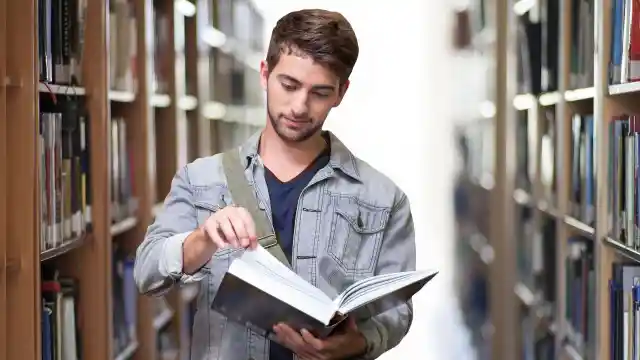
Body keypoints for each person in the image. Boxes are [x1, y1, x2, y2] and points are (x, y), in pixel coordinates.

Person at [133, 8, 416, 360]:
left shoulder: (384, 199)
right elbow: (146, 273)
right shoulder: (201, 179)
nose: (299, 106)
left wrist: (356, 343)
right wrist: (202, 238)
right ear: (265, 74)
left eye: (320, 92)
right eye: (289, 85)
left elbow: (396, 311)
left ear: (341, 92)